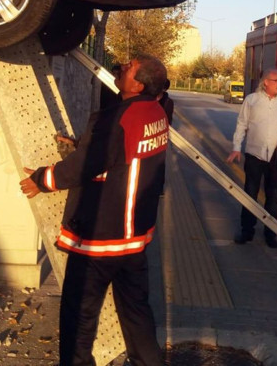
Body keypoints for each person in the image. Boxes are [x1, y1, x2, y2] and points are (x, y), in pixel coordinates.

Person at [20, 55, 169, 366]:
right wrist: (82, 145)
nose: (123, 65)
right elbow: (121, 160)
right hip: (135, 240)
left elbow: (82, 169)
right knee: (137, 315)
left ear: (138, 85)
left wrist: (41, 179)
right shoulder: (157, 111)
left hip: (102, 239)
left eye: (129, 67)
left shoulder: (117, 119)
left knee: (79, 319)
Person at [227, 68, 277, 248]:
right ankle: (247, 231)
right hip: (254, 155)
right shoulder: (252, 100)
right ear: (266, 82)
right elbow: (242, 124)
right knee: (250, 193)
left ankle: (270, 233)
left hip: (275, 158)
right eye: (276, 80)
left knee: (273, 197)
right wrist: (236, 147)